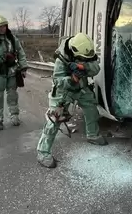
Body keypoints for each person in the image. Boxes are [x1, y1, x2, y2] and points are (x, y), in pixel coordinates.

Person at [36, 32, 107, 168]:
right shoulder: (61, 60)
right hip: (64, 92)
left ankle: (92, 135)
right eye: (81, 59)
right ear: (74, 52)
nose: (85, 59)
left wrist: (83, 67)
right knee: (54, 120)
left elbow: (95, 67)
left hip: (81, 88)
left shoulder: (85, 52)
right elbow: (58, 81)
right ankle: (43, 152)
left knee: (91, 108)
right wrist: (71, 79)